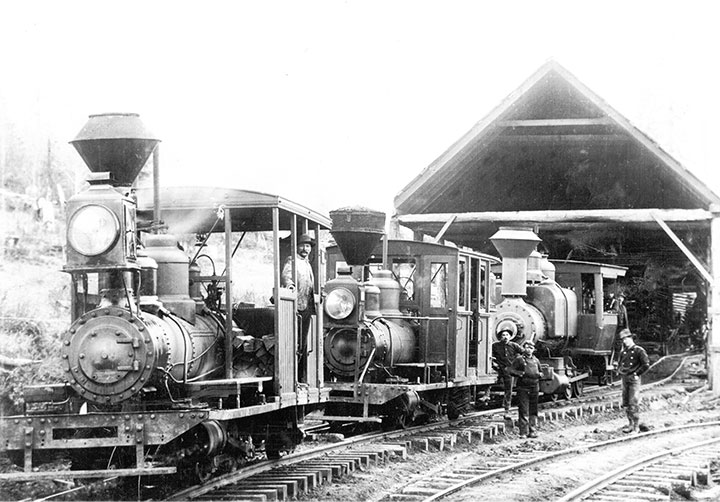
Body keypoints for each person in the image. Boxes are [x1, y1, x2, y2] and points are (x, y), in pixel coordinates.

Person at [281, 233, 316, 383]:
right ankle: (293, 377)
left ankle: (300, 376)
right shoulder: (292, 261)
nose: (305, 249)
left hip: (307, 307)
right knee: (296, 342)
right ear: (296, 247)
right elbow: (287, 276)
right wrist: (290, 286)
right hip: (297, 308)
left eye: (307, 246)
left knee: (303, 343)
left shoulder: (307, 263)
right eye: (302, 246)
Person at [616, 329, 650, 433]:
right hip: (625, 379)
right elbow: (620, 364)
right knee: (626, 403)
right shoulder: (624, 352)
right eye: (623, 340)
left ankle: (636, 426)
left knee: (633, 402)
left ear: (631, 338)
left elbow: (646, 364)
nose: (624, 341)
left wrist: (637, 374)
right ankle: (630, 424)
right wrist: (620, 371)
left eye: (626, 339)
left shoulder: (639, 351)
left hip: (634, 379)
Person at [508, 340, 542, 438]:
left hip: (534, 387)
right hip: (523, 387)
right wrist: (520, 373)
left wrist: (539, 374)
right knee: (523, 410)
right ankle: (523, 432)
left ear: (533, 349)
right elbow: (510, 370)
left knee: (533, 410)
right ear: (524, 348)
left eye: (531, 348)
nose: (529, 350)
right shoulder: (519, 359)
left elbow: (541, 371)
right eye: (527, 347)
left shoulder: (536, 360)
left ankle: (532, 431)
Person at [491, 329, 523, 419]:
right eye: (503, 335)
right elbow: (490, 355)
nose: (505, 337)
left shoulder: (514, 345)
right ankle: (486, 395)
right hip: (498, 369)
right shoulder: (495, 346)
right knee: (489, 382)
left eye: (507, 335)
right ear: (500, 337)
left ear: (510, 337)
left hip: (509, 370)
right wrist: (494, 363)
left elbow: (523, 353)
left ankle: (507, 409)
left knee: (508, 390)